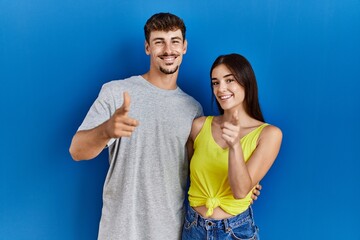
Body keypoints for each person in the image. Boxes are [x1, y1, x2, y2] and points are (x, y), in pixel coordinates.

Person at [69, 13, 261, 240]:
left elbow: (197, 167)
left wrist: (244, 183)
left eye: (175, 41)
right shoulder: (115, 92)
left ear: (185, 47)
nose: (168, 50)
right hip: (120, 230)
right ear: (147, 47)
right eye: (159, 41)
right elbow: (77, 151)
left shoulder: (193, 109)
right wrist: (106, 130)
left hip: (172, 231)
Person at [182, 53, 282, 239]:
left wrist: (235, 146)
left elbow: (240, 191)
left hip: (234, 231)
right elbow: (185, 175)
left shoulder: (269, 135)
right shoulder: (198, 126)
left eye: (230, 80)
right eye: (215, 82)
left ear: (246, 82)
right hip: (192, 227)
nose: (221, 89)